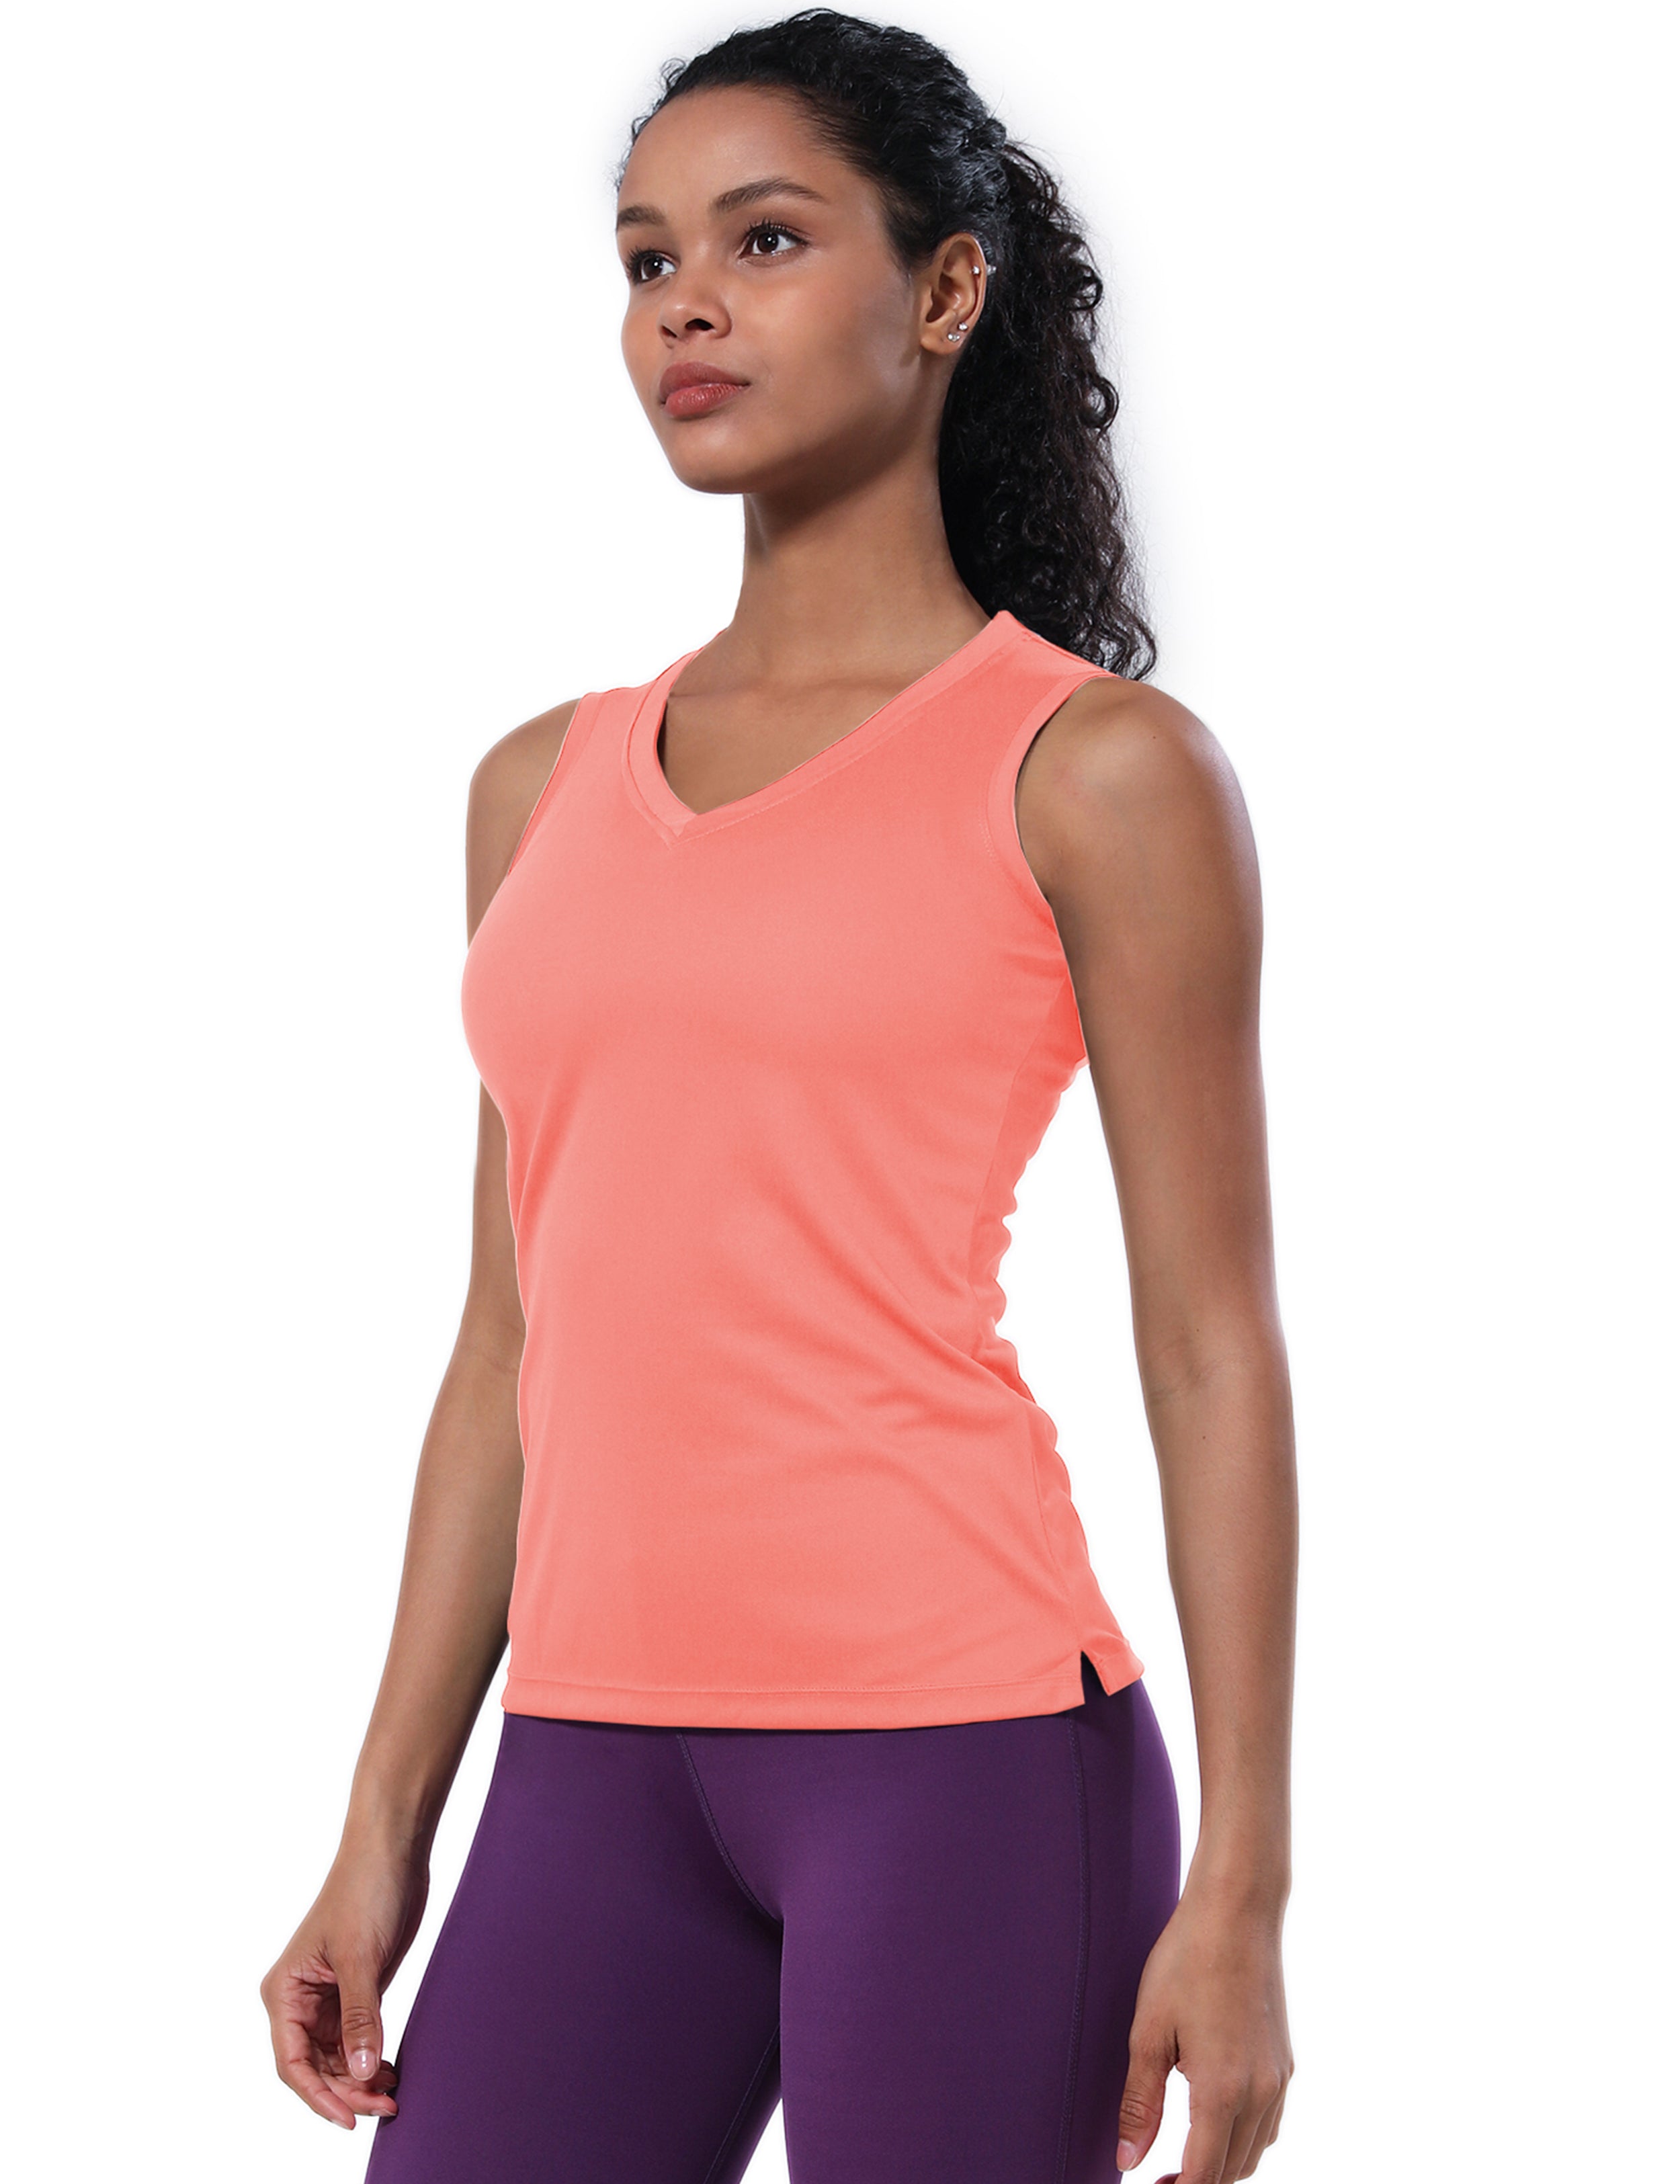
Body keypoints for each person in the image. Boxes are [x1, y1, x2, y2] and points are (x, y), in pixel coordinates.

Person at [259, 12, 1297, 2182]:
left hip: (961, 1756)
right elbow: (508, 1342)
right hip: (588, 1758)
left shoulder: (1091, 770)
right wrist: (381, 1817)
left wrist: (1245, 1887)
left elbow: (1209, 1345)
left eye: (763, 240)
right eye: (647, 259)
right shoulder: (537, 787)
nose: (685, 308)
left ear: (945, 291)